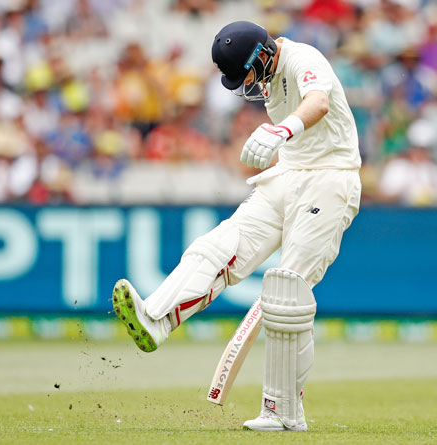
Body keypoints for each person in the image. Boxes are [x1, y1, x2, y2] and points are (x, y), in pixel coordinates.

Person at [112, 20, 361, 432]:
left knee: (287, 293)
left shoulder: (304, 58)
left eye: (246, 73)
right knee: (218, 244)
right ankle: (155, 320)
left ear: (262, 54)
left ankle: (283, 413)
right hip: (289, 175)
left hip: (331, 179)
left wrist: (283, 129)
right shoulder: (266, 67)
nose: (247, 84)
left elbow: (317, 102)